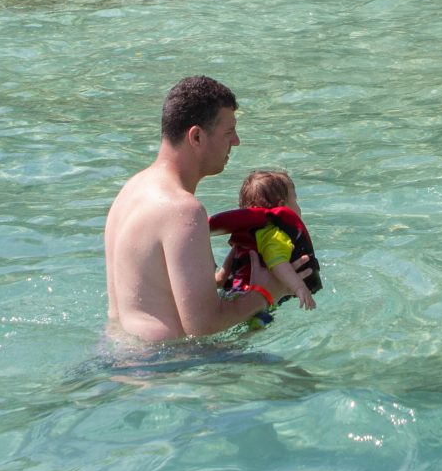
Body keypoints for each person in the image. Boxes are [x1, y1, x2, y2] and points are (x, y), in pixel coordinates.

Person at [103, 75, 300, 342]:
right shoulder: (182, 209)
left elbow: (150, 292)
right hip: (164, 368)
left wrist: (218, 281)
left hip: (117, 350)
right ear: (196, 136)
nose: (237, 141)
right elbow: (203, 325)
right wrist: (270, 291)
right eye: (228, 132)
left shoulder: (131, 190)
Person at [213, 168, 320, 316]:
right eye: (295, 199)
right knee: (259, 324)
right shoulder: (274, 235)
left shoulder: (247, 237)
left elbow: (222, 276)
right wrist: (299, 287)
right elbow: (277, 262)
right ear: (283, 205)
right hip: (255, 299)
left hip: (233, 294)